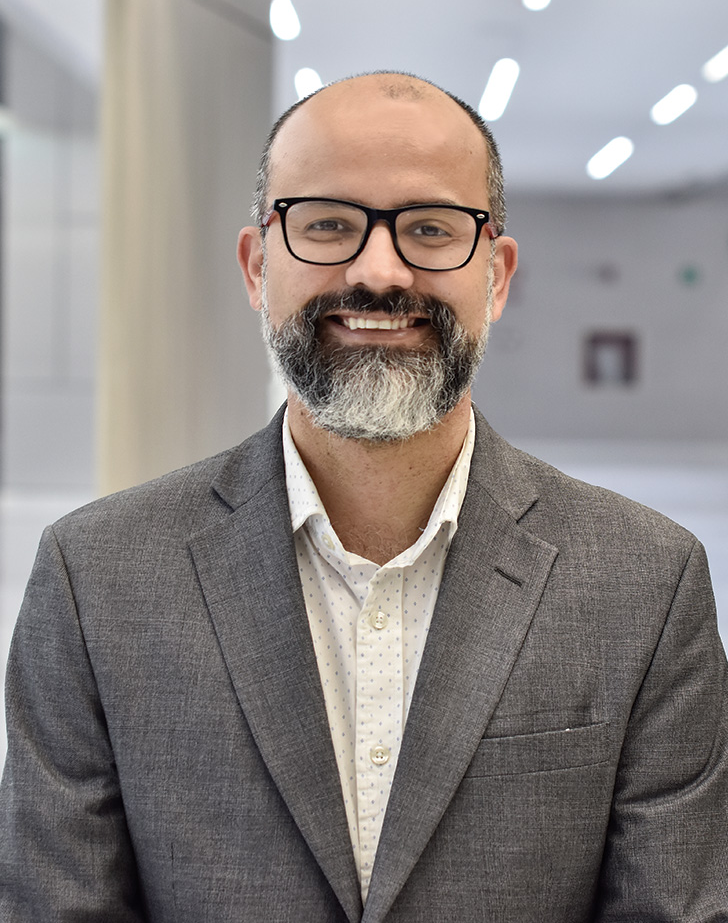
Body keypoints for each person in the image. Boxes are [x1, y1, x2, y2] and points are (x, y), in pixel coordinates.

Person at [1, 71, 727, 922]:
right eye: (329, 224)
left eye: (429, 227)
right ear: (256, 265)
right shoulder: (98, 581)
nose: (378, 272)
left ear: (496, 276)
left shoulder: (645, 583)